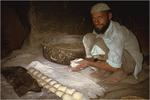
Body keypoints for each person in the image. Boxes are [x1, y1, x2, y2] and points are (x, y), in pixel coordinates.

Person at [71, 3, 143, 83]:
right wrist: (82, 62)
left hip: (130, 62)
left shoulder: (117, 33)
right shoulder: (101, 27)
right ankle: (104, 69)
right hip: (118, 56)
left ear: (109, 16)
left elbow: (114, 65)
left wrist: (88, 63)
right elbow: (94, 49)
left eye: (100, 17)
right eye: (94, 18)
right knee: (89, 37)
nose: (97, 22)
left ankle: (121, 71)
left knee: (99, 43)